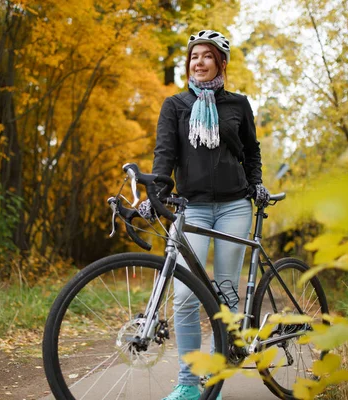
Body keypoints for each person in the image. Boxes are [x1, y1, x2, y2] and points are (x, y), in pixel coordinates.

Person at [139, 30, 270, 400]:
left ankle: (217, 377)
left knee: (227, 294)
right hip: (192, 207)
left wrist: (257, 183)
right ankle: (188, 383)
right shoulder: (175, 105)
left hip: (233, 206)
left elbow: (251, 151)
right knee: (184, 296)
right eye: (194, 56)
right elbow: (164, 155)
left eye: (207, 56)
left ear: (221, 63)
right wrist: (157, 193)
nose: (198, 62)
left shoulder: (238, 105)